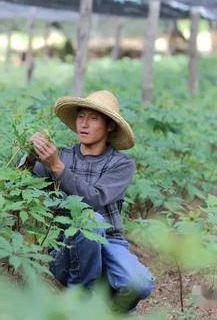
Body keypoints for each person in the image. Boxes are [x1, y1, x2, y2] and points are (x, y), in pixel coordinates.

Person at [29, 90, 155, 311]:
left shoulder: (121, 164)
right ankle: (81, 300)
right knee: (90, 222)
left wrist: (58, 167)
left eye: (93, 118)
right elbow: (27, 181)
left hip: (110, 242)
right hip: (67, 247)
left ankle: (109, 311)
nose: (84, 124)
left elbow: (95, 200)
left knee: (140, 284)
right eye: (80, 116)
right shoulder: (63, 155)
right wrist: (30, 152)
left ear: (110, 126)